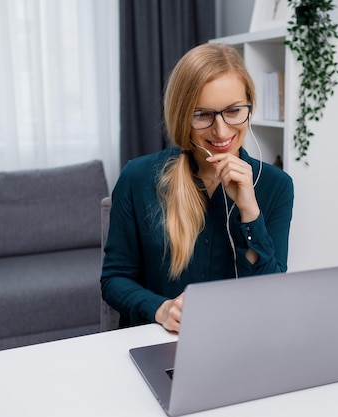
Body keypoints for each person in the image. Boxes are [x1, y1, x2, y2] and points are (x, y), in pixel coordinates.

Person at [101, 43, 294, 332]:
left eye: (233, 110)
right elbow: (114, 279)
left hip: (238, 341)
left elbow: (272, 295)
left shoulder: (276, 186)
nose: (222, 131)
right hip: (157, 340)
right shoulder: (137, 177)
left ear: (249, 106)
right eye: (202, 114)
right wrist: (160, 309)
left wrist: (249, 211)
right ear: (182, 115)